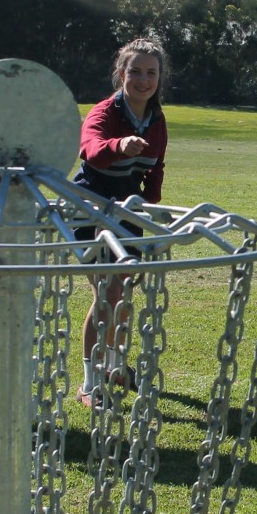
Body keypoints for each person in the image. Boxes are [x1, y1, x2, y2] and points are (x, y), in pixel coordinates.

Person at [74, 38, 169, 407]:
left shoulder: (157, 120)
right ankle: (88, 383)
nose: (143, 80)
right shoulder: (105, 112)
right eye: (135, 71)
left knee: (124, 296)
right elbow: (90, 148)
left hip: (128, 212)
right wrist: (119, 145)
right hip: (91, 211)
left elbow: (156, 164)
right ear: (121, 74)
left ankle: (115, 366)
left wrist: (152, 196)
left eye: (151, 73)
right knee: (107, 295)